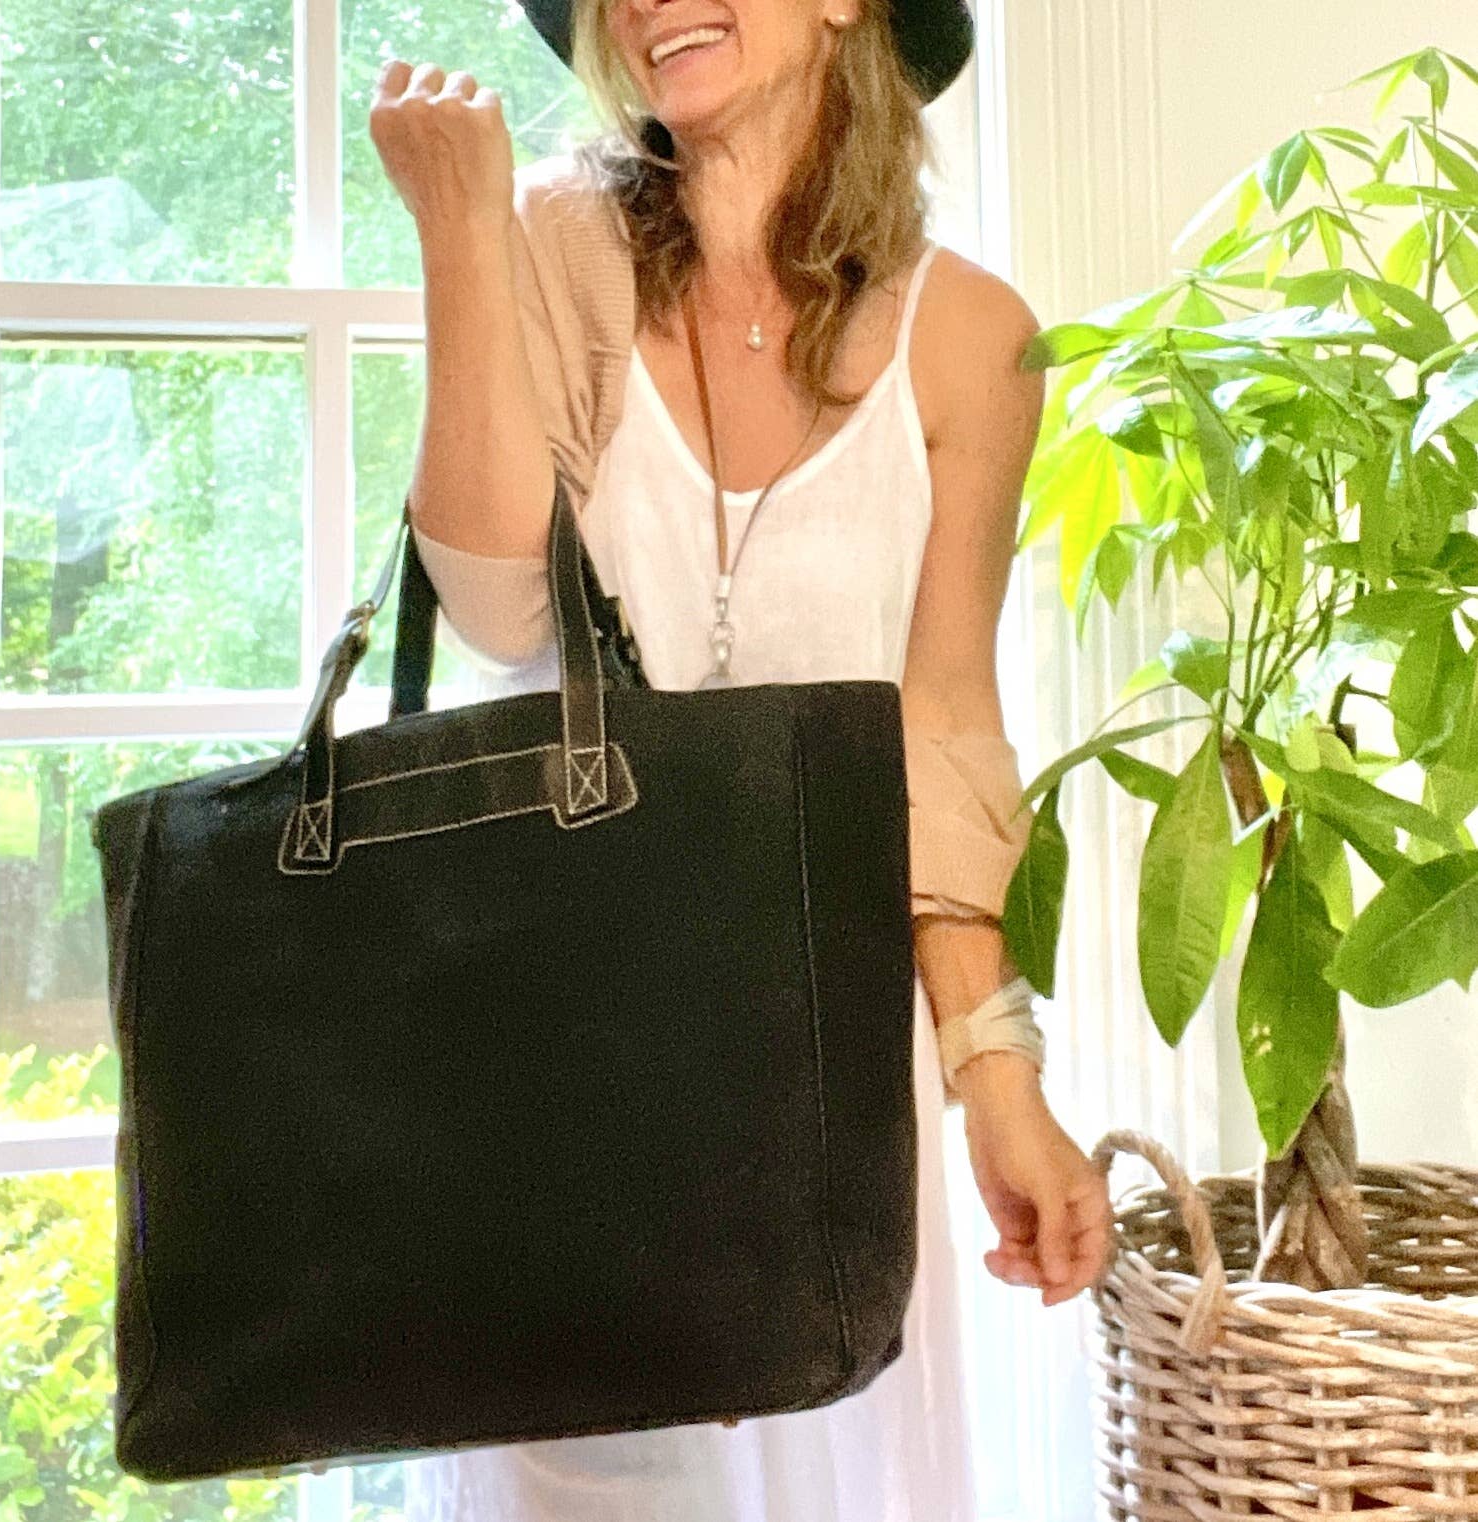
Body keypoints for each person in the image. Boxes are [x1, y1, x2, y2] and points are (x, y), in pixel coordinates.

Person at [368, 2, 1114, 1516]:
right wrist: (460, 236)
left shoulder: (972, 338)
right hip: (572, 1056)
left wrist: (996, 1074)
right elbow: (497, 603)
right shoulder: (555, 247)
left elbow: (939, 728)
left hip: (832, 1081)